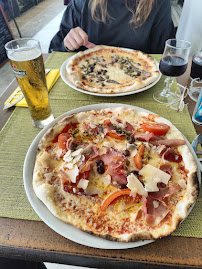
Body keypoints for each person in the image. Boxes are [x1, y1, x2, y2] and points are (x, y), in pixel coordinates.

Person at [49, 0, 175, 54]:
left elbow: (163, 58)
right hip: (87, 80)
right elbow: (55, 51)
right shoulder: (83, 2)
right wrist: (68, 44)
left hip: (139, 87)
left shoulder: (159, 4)